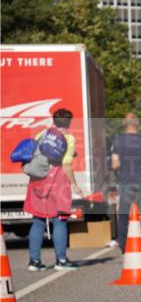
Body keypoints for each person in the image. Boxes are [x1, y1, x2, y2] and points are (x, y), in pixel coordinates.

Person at [25, 108, 85, 271]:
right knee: (61, 219)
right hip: (57, 183)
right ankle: (61, 260)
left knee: (37, 221)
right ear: (69, 122)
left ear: (54, 121)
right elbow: (66, 165)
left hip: (37, 182)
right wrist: (75, 185)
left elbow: (33, 154)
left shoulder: (43, 134)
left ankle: (34, 262)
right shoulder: (69, 139)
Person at [111, 113, 141, 251]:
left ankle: (124, 247)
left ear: (124, 122)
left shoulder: (118, 140)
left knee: (124, 214)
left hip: (126, 180)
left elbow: (115, 164)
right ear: (137, 123)